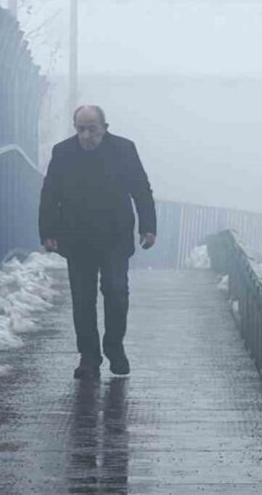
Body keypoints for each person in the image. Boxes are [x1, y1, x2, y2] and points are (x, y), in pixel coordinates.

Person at [39, 105, 157, 379]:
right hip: (77, 237)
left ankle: (114, 347)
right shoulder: (63, 152)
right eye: (81, 128)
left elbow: (141, 188)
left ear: (105, 126)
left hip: (114, 236)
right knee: (83, 300)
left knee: (116, 292)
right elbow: (50, 193)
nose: (86, 135)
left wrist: (148, 227)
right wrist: (48, 231)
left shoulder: (124, 149)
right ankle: (89, 357)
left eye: (92, 128)